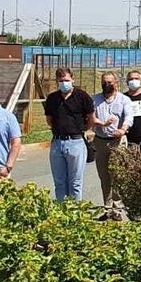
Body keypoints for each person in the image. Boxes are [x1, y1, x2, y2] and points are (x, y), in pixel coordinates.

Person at [43, 68, 94, 202]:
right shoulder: (52, 98)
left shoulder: (82, 97)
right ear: (57, 82)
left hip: (76, 142)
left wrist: (81, 129)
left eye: (66, 80)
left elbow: (91, 119)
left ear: (73, 80)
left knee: (75, 182)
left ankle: (75, 213)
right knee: (59, 182)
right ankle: (62, 212)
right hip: (57, 142)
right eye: (61, 81)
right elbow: (49, 121)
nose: (64, 83)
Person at [90, 72, 132, 206]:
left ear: (116, 83)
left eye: (109, 82)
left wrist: (122, 130)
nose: (106, 85)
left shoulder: (124, 99)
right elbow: (90, 118)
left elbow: (129, 117)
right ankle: (107, 206)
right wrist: (101, 123)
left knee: (118, 174)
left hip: (117, 141)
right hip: (100, 141)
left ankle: (117, 206)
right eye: (104, 82)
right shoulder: (95, 99)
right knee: (104, 176)